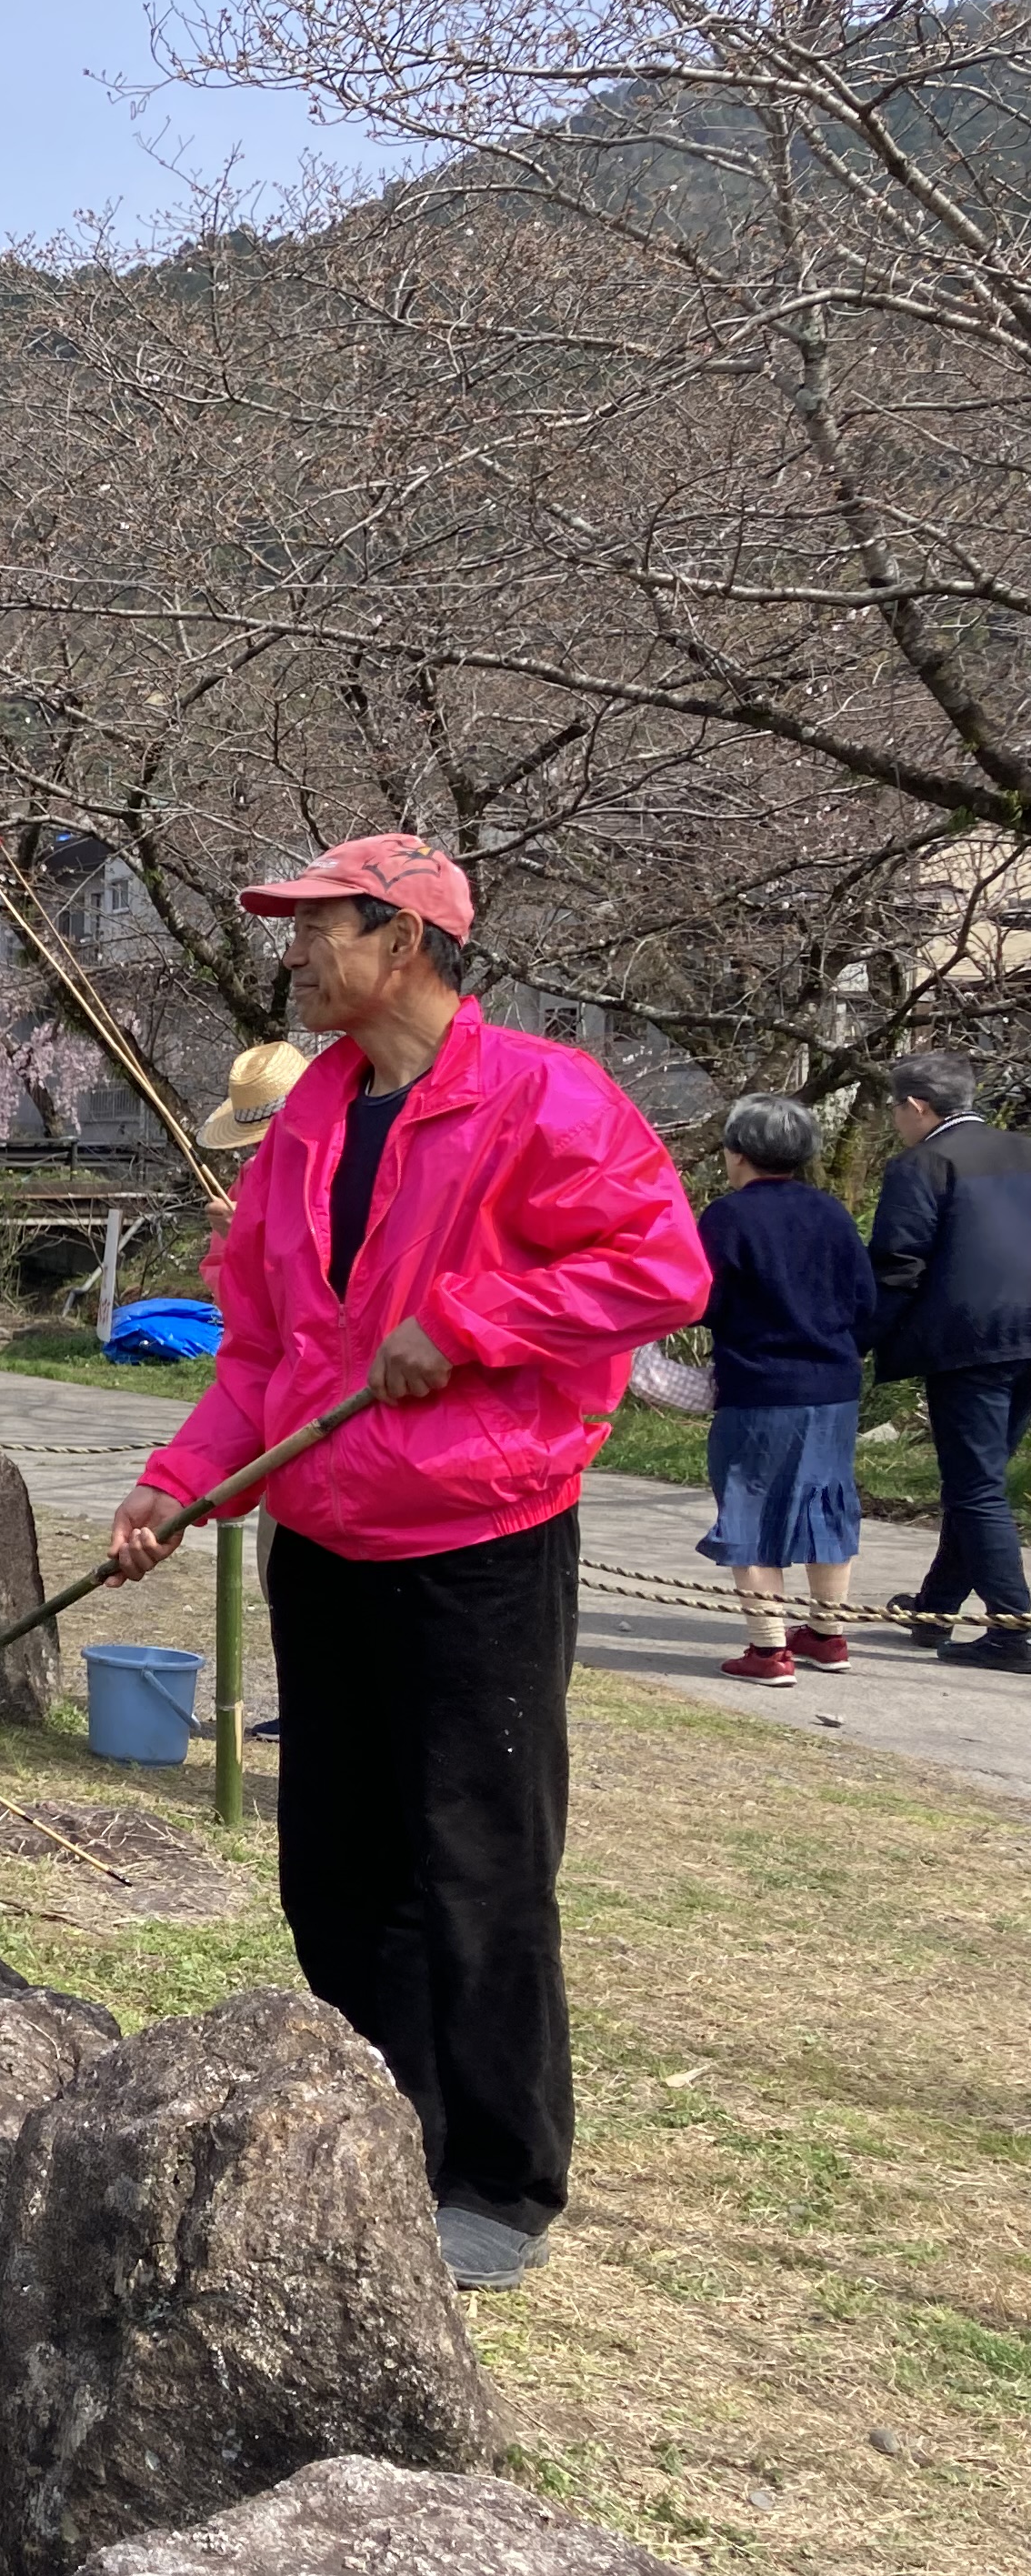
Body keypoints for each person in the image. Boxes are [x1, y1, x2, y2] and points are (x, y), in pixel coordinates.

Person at [105, 834, 706, 2293]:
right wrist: (175, 1484)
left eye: (320, 931)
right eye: (293, 933)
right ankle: (393, 2130)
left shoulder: (543, 1094)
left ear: (411, 937)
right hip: (320, 1534)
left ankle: (501, 2176)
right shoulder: (308, 1120)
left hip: (477, 1544)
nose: (295, 957)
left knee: (480, 1866)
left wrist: (479, 1319)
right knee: (338, 1865)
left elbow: (661, 1266)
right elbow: (262, 1348)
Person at [696, 1093, 877, 1686]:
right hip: (834, 1383)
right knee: (829, 1503)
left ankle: (768, 1649)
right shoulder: (831, 1212)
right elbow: (865, 1301)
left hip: (761, 1385)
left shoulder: (728, 1217)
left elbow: (704, 1299)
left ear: (738, 1151)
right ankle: (827, 1634)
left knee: (752, 1506)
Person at [868, 1048, 1031, 1671]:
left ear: (917, 1106)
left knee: (975, 1485)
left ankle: (1012, 1627)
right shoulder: (1023, 1149)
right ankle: (936, 1607)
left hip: (971, 1340)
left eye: (895, 1109)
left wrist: (858, 1338)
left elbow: (897, 1265)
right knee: (979, 1480)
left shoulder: (923, 1163)